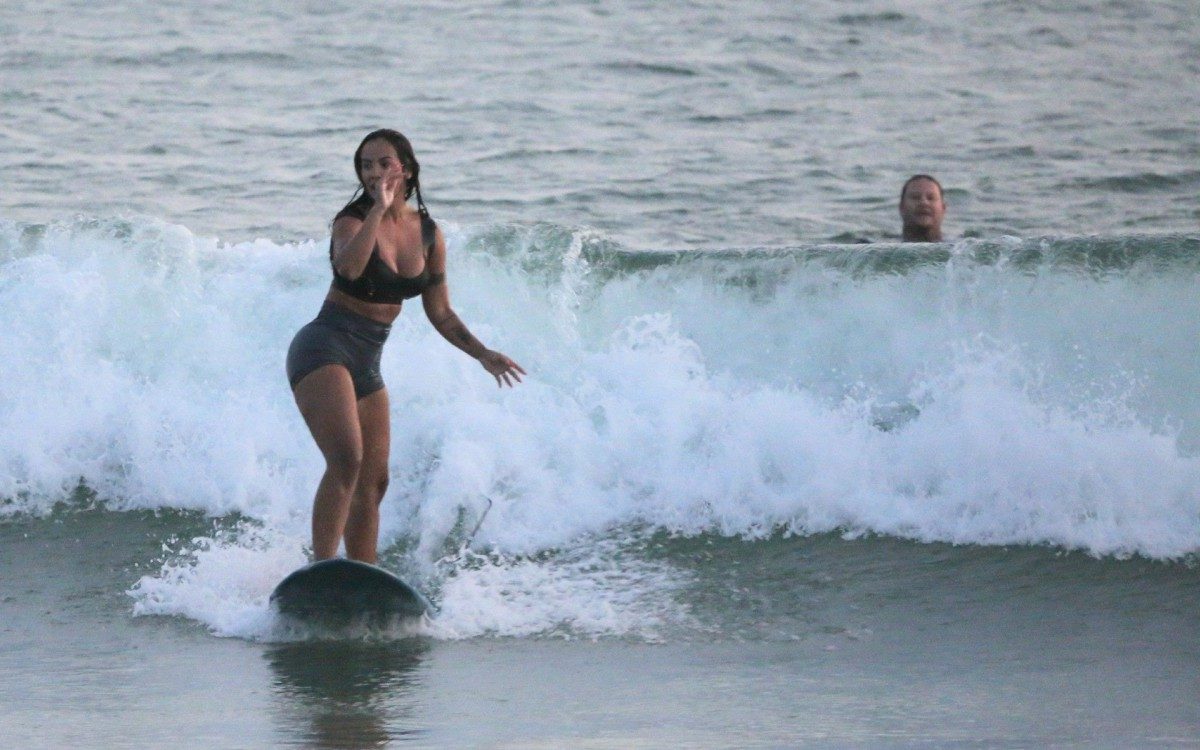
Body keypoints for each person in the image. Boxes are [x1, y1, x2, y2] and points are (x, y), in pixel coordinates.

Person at [286, 129, 525, 563]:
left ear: (407, 170)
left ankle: (362, 572)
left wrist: (483, 354)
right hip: (324, 348)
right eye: (365, 165)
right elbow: (350, 270)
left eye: (383, 163)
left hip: (368, 362)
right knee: (346, 459)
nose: (374, 172)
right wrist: (377, 210)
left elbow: (441, 313)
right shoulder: (351, 221)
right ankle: (320, 570)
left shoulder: (428, 233)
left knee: (374, 482)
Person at [898, 174, 946, 242]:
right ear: (902, 207)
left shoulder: (961, 246)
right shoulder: (883, 245)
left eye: (931, 198)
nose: (924, 203)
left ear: (943, 209)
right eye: (915, 197)